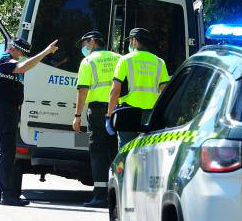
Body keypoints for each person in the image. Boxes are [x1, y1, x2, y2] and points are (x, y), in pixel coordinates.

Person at [0, 37, 59, 206]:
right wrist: (46, 52)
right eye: (20, 52)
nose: (21, 55)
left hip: (6, 110)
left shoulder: (8, 61)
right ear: (13, 48)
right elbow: (24, 67)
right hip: (4, 111)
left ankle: (0, 194)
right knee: (6, 153)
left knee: (1, 152)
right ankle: (6, 195)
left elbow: (18, 76)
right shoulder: (3, 60)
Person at [72, 31, 120, 208]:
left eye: (85, 43)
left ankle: (100, 195)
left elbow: (82, 90)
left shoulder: (88, 61)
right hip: (118, 111)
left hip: (98, 111)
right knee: (115, 151)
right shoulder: (119, 58)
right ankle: (118, 194)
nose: (83, 47)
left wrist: (77, 116)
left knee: (98, 152)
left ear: (93, 41)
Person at [107, 28, 169, 146]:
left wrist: (109, 115)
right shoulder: (159, 62)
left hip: (128, 113)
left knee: (126, 149)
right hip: (150, 115)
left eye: (130, 40)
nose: (130, 43)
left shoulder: (125, 60)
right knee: (147, 149)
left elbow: (115, 90)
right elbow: (165, 92)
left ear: (135, 41)